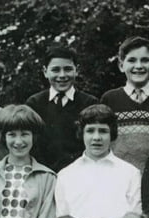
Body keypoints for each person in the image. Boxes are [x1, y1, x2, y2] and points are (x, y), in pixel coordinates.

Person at [56, 104, 141, 218]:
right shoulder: (66, 174)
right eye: (90, 131)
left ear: (112, 134)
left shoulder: (130, 173)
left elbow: (135, 217)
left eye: (103, 131)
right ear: (82, 133)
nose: (96, 137)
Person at [100, 36, 149, 172]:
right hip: (119, 176)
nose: (138, 66)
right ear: (121, 65)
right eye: (132, 60)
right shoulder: (109, 99)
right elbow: (103, 143)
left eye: (144, 60)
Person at [26, 44, 98, 172]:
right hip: (43, 174)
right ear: (45, 72)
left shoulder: (90, 103)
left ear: (77, 70)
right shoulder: (34, 104)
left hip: (81, 173)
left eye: (68, 69)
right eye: (55, 70)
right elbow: (30, 144)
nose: (62, 75)